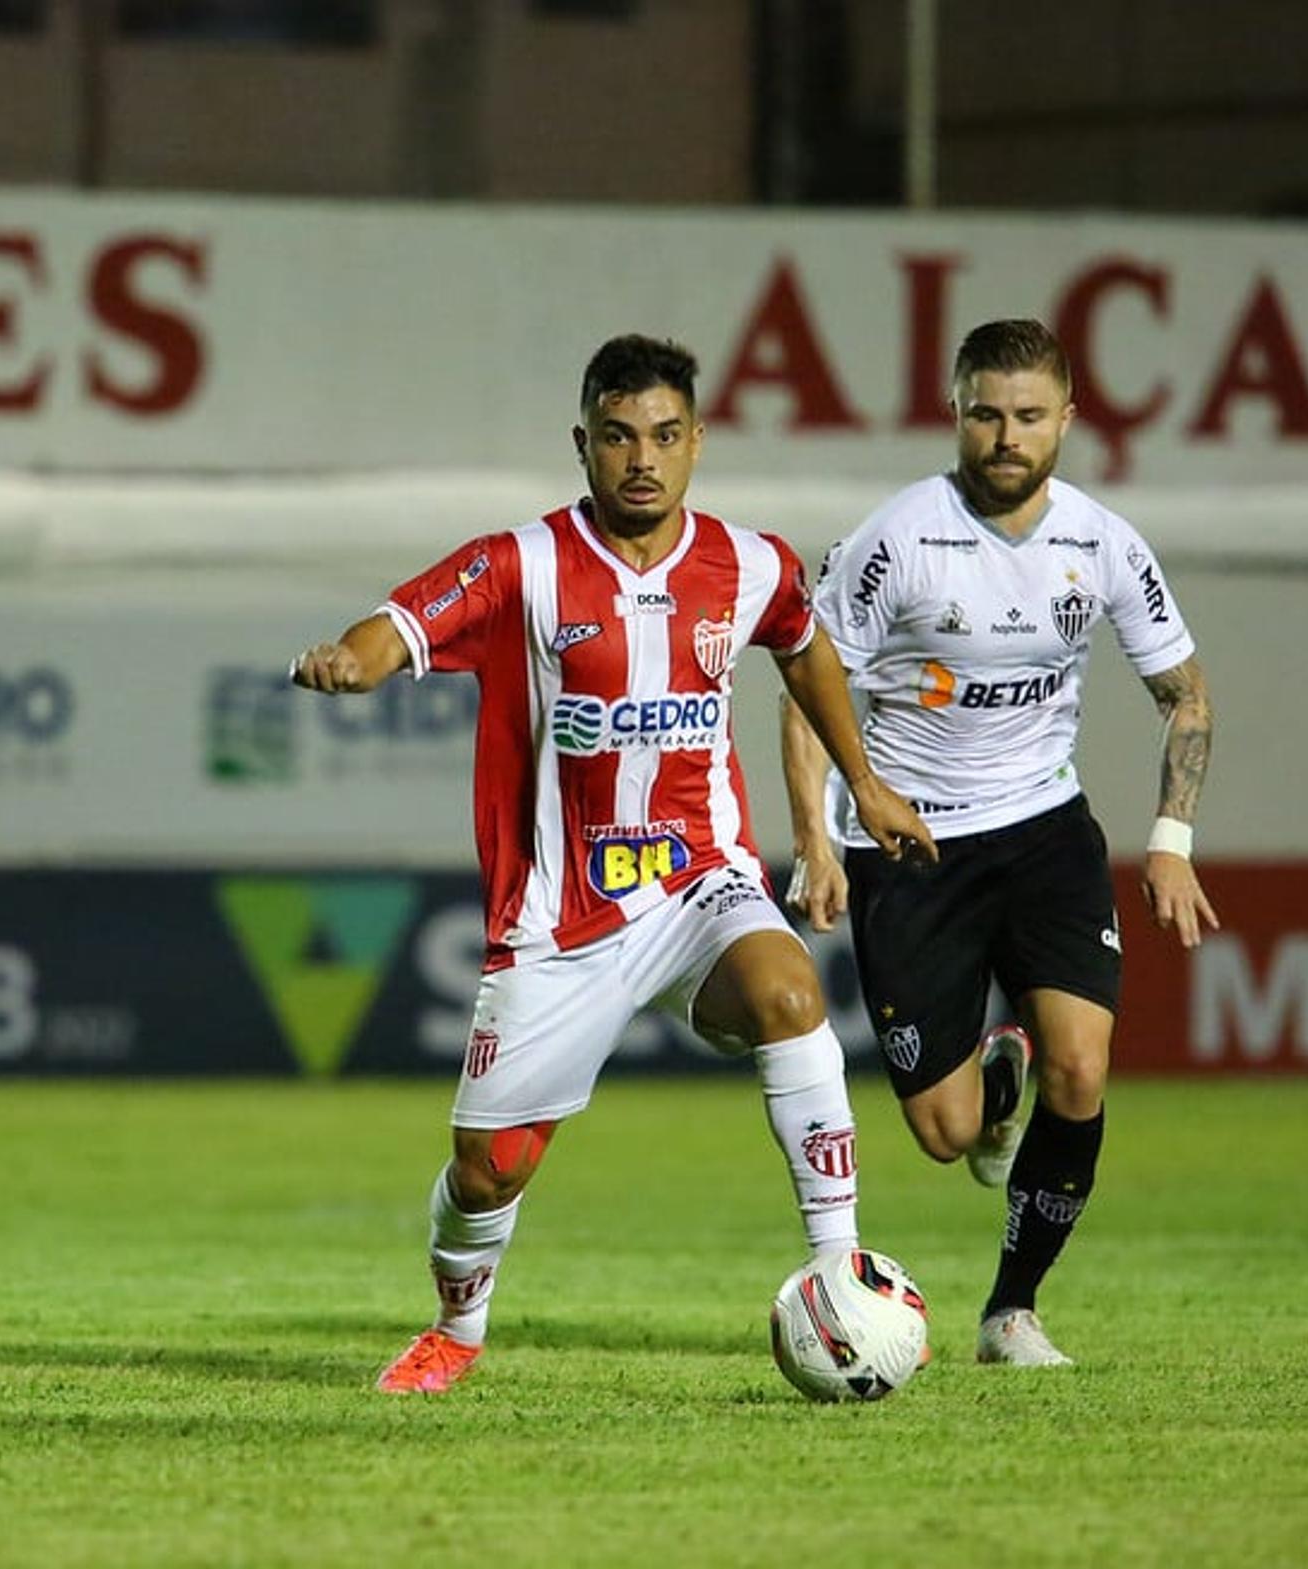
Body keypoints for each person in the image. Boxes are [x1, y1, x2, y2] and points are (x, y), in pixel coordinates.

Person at [291, 333, 930, 1394]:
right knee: (489, 1168)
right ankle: (459, 1326)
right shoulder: (521, 565)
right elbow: (401, 623)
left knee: (787, 989)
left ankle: (839, 1267)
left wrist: (858, 788)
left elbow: (803, 641)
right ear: (582, 445)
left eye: (666, 437)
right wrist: (353, 665)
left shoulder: (749, 562)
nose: (644, 459)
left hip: (701, 884)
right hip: (561, 917)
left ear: (697, 443)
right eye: (620, 437)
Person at [782, 318, 1217, 1368]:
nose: (1007, 437)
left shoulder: (1102, 543)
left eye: (1029, 416)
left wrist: (1171, 839)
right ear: (956, 413)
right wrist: (817, 839)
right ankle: (991, 1094)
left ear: (1067, 419)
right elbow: (805, 680)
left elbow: (1185, 694)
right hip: (912, 846)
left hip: (1042, 831)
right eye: (987, 414)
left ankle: (1011, 1313)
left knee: (1084, 1067)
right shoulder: (897, 539)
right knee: (944, 1133)